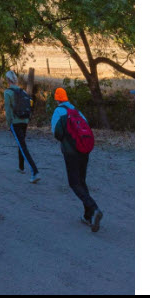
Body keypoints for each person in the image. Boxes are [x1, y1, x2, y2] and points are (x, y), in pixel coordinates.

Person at [51, 88, 103, 232]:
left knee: (74, 183)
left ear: (57, 100)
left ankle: (94, 208)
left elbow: (57, 133)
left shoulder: (58, 112)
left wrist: (65, 140)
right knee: (81, 181)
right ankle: (88, 216)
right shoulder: (77, 111)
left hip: (70, 152)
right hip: (84, 150)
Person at [4, 70, 40, 183]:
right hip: (24, 120)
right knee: (21, 143)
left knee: (23, 146)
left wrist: (9, 123)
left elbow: (8, 110)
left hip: (15, 121)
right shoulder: (22, 91)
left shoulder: (7, 92)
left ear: (8, 80)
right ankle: (21, 167)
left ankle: (35, 171)